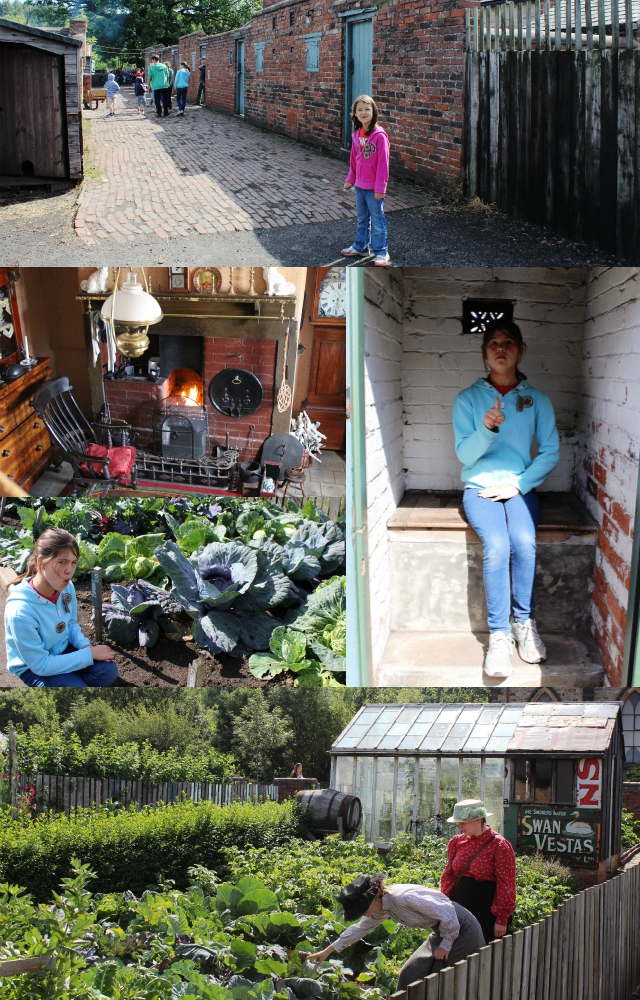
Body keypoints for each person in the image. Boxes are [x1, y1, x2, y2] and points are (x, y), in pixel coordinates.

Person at [452, 319, 560, 678]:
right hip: (480, 488)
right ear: (485, 353)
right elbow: (465, 456)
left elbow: (550, 451)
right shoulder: (467, 399)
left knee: (524, 542)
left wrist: (519, 485)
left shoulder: (537, 399)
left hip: (518, 488)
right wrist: (486, 428)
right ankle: (499, 636)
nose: (501, 348)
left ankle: (523, 625)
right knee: (497, 545)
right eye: (494, 343)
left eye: (509, 342)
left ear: (520, 350)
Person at [307, 874, 485, 990]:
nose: (362, 916)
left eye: (361, 911)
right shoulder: (382, 909)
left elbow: (446, 910)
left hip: (460, 928)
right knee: (410, 973)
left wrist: (446, 944)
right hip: (442, 930)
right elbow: (359, 929)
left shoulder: (401, 898)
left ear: (370, 902)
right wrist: (327, 951)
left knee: (443, 977)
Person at [4, 528, 118, 688]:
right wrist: (89, 655)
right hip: (34, 668)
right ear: (41, 563)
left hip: (63, 649)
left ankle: (68, 678)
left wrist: (86, 647)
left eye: (73, 562)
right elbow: (41, 665)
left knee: (108, 672)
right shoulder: (20, 612)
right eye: (62, 562)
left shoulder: (66, 587)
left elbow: (70, 625)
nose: (69, 570)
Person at [440, 799, 516, 946]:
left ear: (477, 820)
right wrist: (443, 906)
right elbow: (449, 876)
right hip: (459, 909)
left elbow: (506, 883)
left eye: (463, 822)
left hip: (485, 912)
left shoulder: (499, 845)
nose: (459, 826)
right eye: (458, 822)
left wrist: (501, 918)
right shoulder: (457, 842)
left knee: (482, 955)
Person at [342, 94, 390, 267]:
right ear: (354, 114)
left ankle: (381, 252)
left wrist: (380, 188)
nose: (363, 112)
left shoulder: (379, 136)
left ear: (374, 111)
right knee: (362, 219)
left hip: (374, 188)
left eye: (367, 109)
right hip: (360, 186)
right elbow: (354, 160)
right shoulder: (356, 135)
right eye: (359, 110)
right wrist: (350, 179)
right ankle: (361, 246)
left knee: (378, 220)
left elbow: (383, 165)